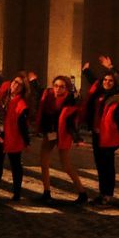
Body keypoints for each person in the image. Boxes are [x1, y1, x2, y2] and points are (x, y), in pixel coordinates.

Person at [36, 76, 87, 204]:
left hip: (64, 134)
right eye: (56, 86)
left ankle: (82, 192)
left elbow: (71, 123)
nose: (58, 89)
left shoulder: (70, 101)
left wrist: (77, 138)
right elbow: (39, 91)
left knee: (66, 165)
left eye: (62, 86)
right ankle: (46, 192)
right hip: (50, 133)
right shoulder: (48, 98)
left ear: (67, 88)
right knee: (44, 162)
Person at [89, 72, 119, 206]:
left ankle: (107, 194)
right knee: (100, 165)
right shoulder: (100, 95)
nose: (107, 82)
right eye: (105, 80)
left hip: (108, 137)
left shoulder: (117, 100)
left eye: (110, 81)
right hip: (97, 134)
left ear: (115, 84)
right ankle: (102, 193)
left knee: (107, 167)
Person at [0, 72, 29, 201]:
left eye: (20, 84)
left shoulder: (21, 103)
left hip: (13, 136)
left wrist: (26, 141)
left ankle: (17, 193)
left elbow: (23, 125)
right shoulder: (2, 94)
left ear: (23, 88)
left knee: (15, 165)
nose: (16, 85)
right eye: (15, 81)